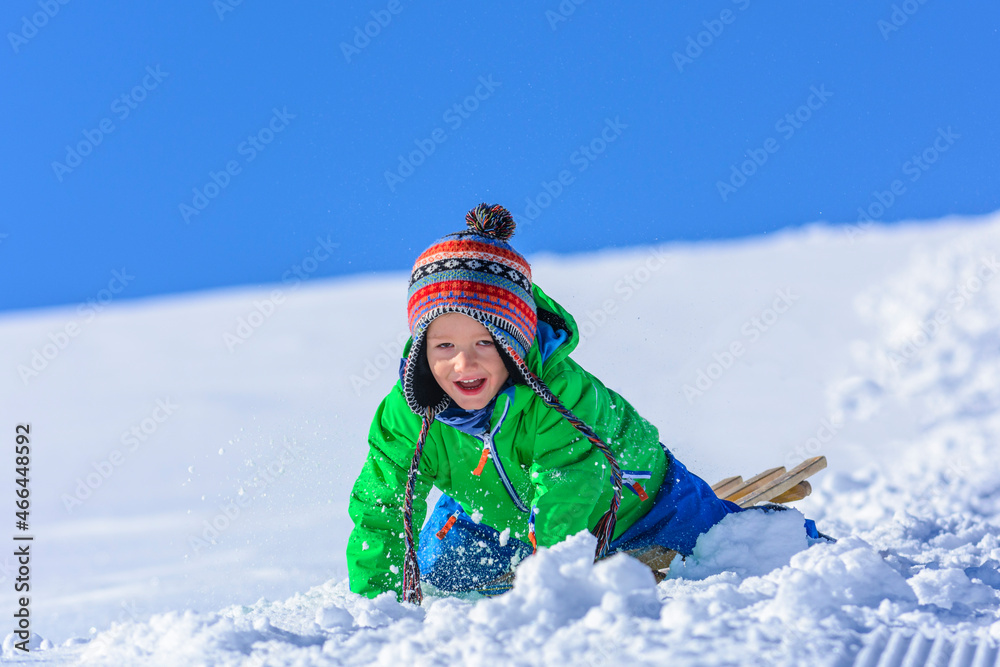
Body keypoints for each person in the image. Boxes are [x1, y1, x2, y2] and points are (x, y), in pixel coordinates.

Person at [346, 203, 821, 602]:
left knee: (727, 543)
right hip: (493, 509)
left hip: (637, 500)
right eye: (443, 347)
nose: (463, 363)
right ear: (422, 351)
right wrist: (379, 605)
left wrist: (549, 582)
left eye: (485, 343)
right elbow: (383, 506)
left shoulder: (559, 395)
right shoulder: (407, 417)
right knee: (440, 575)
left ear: (514, 342)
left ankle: (811, 547)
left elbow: (570, 481)